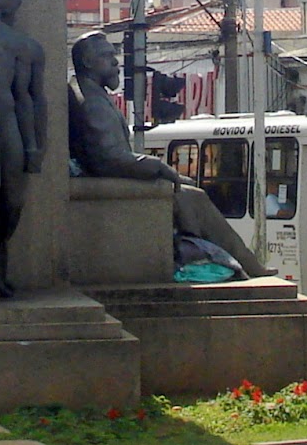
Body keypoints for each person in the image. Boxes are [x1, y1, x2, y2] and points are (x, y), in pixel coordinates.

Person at [67, 31, 271, 278]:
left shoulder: (91, 92)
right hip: (102, 180)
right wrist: (159, 167)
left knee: (188, 190)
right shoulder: (91, 101)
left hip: (102, 176)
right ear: (88, 62)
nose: (115, 62)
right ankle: (247, 267)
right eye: (107, 56)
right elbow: (109, 158)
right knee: (193, 197)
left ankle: (238, 263)